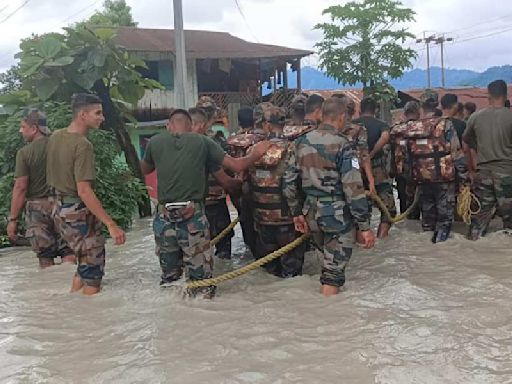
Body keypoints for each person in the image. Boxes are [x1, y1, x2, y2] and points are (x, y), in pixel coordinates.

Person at [140, 108, 270, 297]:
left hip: (163, 219)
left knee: (170, 280)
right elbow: (236, 166)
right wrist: (256, 154)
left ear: (169, 126)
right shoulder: (203, 142)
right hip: (192, 217)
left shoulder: (156, 142)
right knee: (202, 282)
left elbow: (143, 169)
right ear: (192, 126)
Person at [283, 97, 375, 296]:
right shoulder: (344, 145)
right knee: (333, 273)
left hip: (311, 213)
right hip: (336, 215)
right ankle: (328, 318)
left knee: (326, 261)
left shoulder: (300, 142)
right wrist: (364, 226)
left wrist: (296, 213)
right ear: (341, 117)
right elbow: (353, 187)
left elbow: (289, 181)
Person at [46, 93, 126, 295]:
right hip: (77, 211)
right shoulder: (83, 145)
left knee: (84, 265)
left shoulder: (55, 136)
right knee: (93, 275)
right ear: (83, 114)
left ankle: (75, 310)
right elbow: (84, 190)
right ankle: (92, 323)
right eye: (97, 113)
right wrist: (111, 224)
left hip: (57, 209)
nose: (102, 117)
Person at [392, 89, 467, 242]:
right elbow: (456, 152)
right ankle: (440, 250)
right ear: (436, 104)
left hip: (422, 178)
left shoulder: (412, 126)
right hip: (443, 179)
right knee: (444, 220)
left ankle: (427, 252)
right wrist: (464, 178)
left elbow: (397, 139)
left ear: (421, 106)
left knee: (427, 221)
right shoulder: (445, 124)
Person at [7, 109, 76, 268]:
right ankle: (71, 288)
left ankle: (49, 291)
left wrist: (13, 220)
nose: (20, 131)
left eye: (23, 127)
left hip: (38, 209)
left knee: (45, 256)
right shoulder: (62, 146)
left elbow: (20, 187)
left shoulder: (25, 153)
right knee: (69, 251)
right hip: (64, 204)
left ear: (34, 128)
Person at [248, 103, 306, 277]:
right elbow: (292, 185)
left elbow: (246, 183)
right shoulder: (293, 149)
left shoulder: (254, 150)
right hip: (287, 219)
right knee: (292, 271)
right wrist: (298, 213)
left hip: (262, 219)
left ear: (266, 125)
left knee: (270, 271)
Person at [463, 80, 512, 239]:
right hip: (507, 174)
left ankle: (473, 248)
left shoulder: (475, 117)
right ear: (506, 96)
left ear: (488, 95)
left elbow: (466, 142)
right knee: (509, 220)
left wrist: (472, 169)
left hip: (482, 174)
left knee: (478, 219)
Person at [196, 96, 233, 260]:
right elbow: (231, 170)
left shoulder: (184, 141)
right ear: (213, 116)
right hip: (216, 201)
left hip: (195, 205)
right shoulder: (218, 141)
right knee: (223, 252)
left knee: (197, 253)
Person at [353, 97, 396, 238]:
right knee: (388, 208)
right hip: (377, 170)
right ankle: (381, 237)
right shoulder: (381, 125)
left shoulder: (352, 125)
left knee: (360, 207)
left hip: (356, 171)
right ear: (376, 110)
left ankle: (362, 241)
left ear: (360, 110)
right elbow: (385, 138)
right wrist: (372, 154)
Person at [225, 106, 264, 255]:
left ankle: (249, 247)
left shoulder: (230, 141)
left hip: (236, 188)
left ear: (239, 121)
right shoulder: (260, 140)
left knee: (244, 219)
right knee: (258, 222)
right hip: (255, 187)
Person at [392, 101, 421, 218]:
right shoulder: (424, 128)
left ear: (404, 113)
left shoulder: (395, 130)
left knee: (404, 208)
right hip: (422, 172)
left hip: (402, 172)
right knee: (425, 206)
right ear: (418, 113)